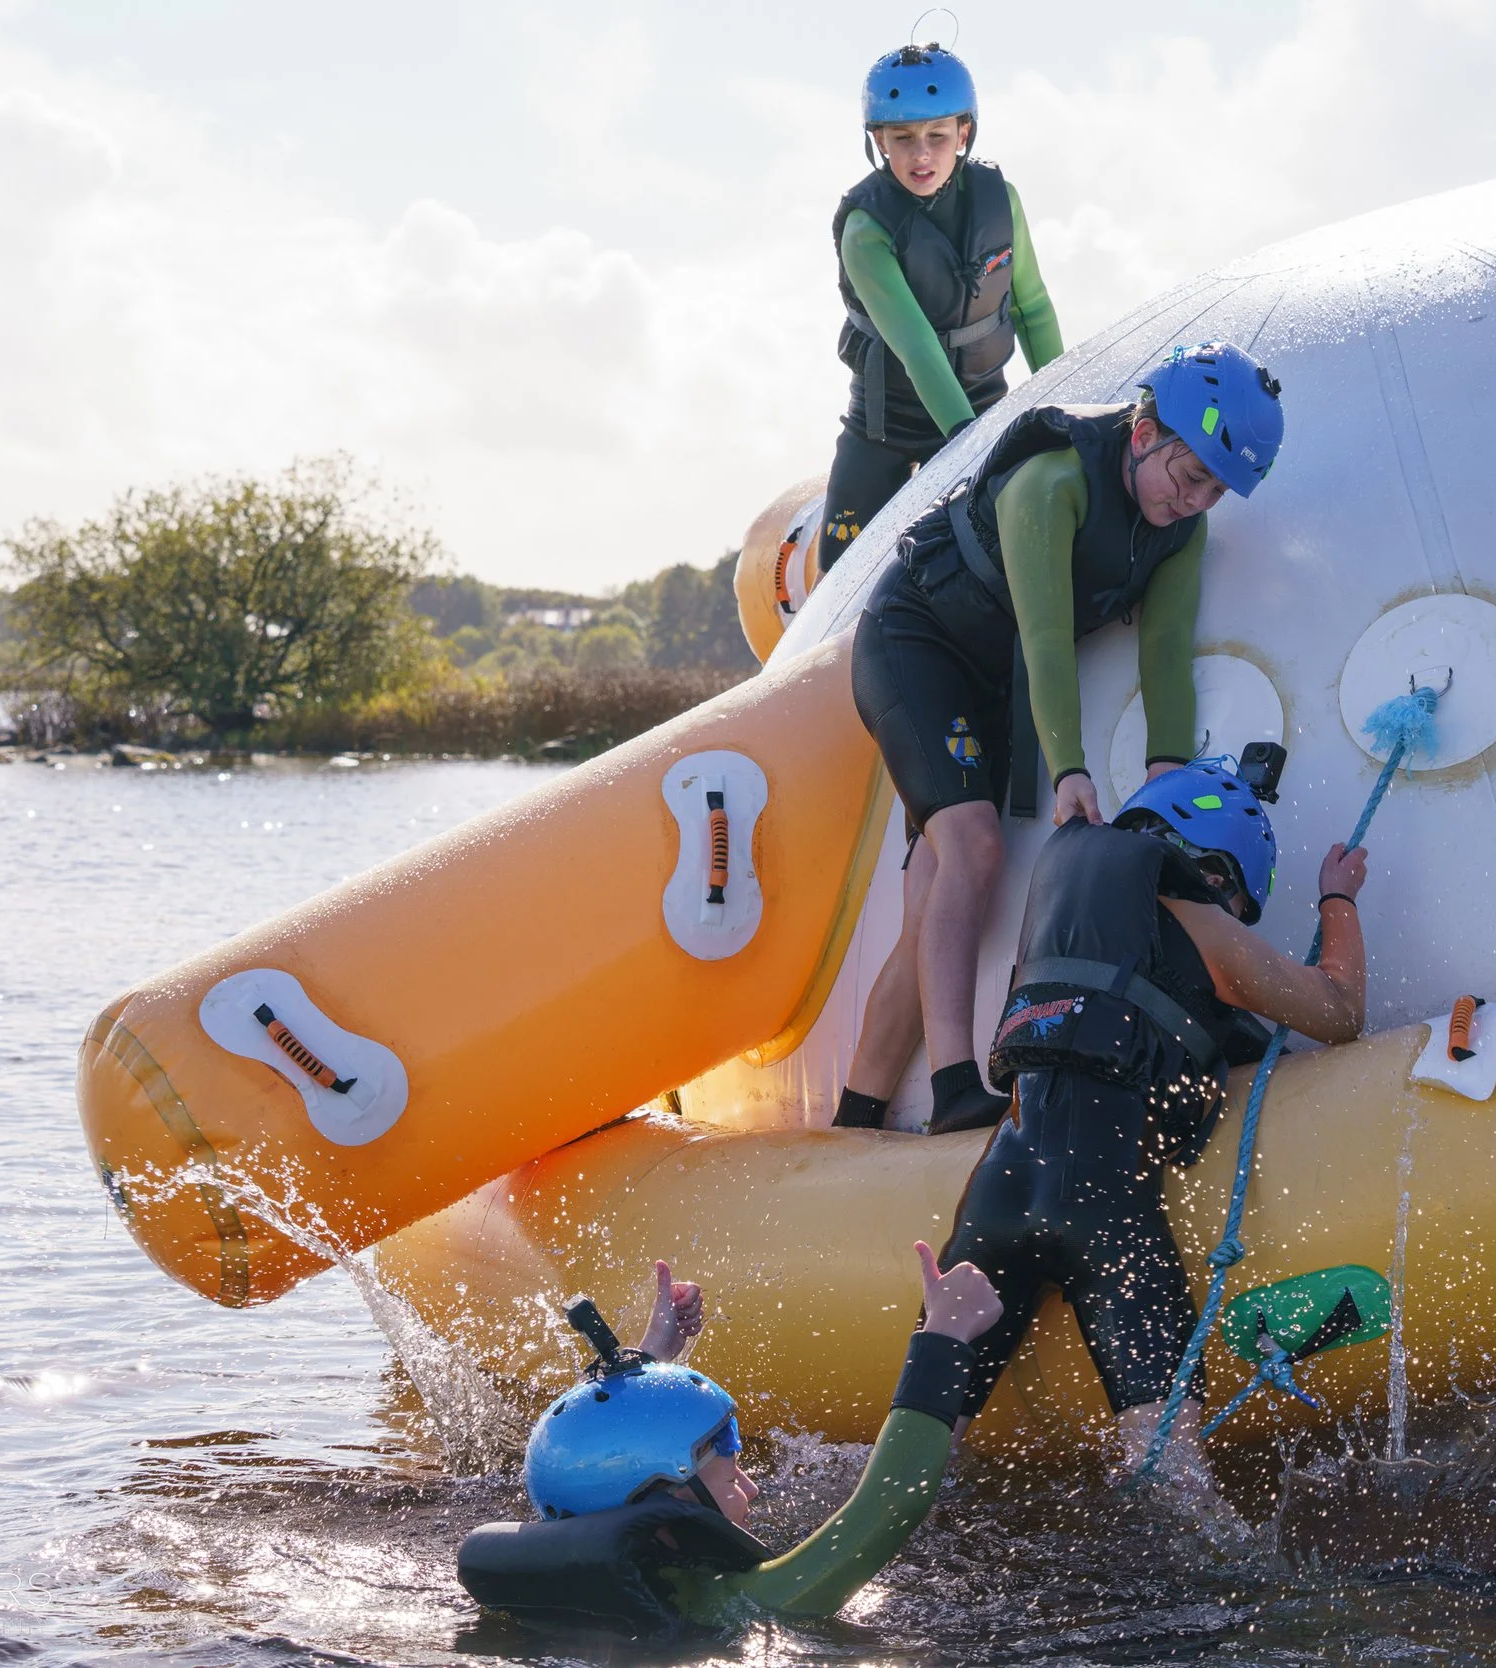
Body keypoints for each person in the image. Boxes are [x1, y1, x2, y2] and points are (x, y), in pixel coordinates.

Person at [833, 341, 1287, 1135]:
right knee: (973, 850)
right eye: (1190, 478)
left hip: (990, 674)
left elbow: (1165, 656)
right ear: (1145, 433)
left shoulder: (1182, 532)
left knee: (933, 897)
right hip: (915, 642)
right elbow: (1046, 638)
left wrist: (1167, 781)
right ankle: (952, 1090)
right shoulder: (1055, 482)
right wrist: (1069, 768)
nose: (1195, 502)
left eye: (1216, 491)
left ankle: (854, 1117)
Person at [935, 755, 1370, 1463]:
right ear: (1220, 874)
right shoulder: (1200, 920)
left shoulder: (1056, 898)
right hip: (1109, 1214)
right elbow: (1341, 1012)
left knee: (922, 1454)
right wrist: (1337, 900)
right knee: (1171, 1480)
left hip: (995, 1193)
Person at [455, 1246, 1003, 1639]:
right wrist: (944, 1335)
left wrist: (652, 1358)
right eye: (730, 1469)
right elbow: (890, 1503)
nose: (753, 1486)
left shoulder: (600, 1584)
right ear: (674, 1497)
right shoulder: (727, 1605)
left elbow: (595, 1449)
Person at [817, 40, 1064, 575]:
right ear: (879, 140)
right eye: (902, 138)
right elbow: (918, 347)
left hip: (985, 407)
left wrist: (1065, 406)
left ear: (964, 133)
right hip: (885, 429)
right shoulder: (866, 230)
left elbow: (1034, 311)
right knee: (837, 577)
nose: (921, 154)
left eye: (937, 135)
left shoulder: (1003, 201)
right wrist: (965, 446)